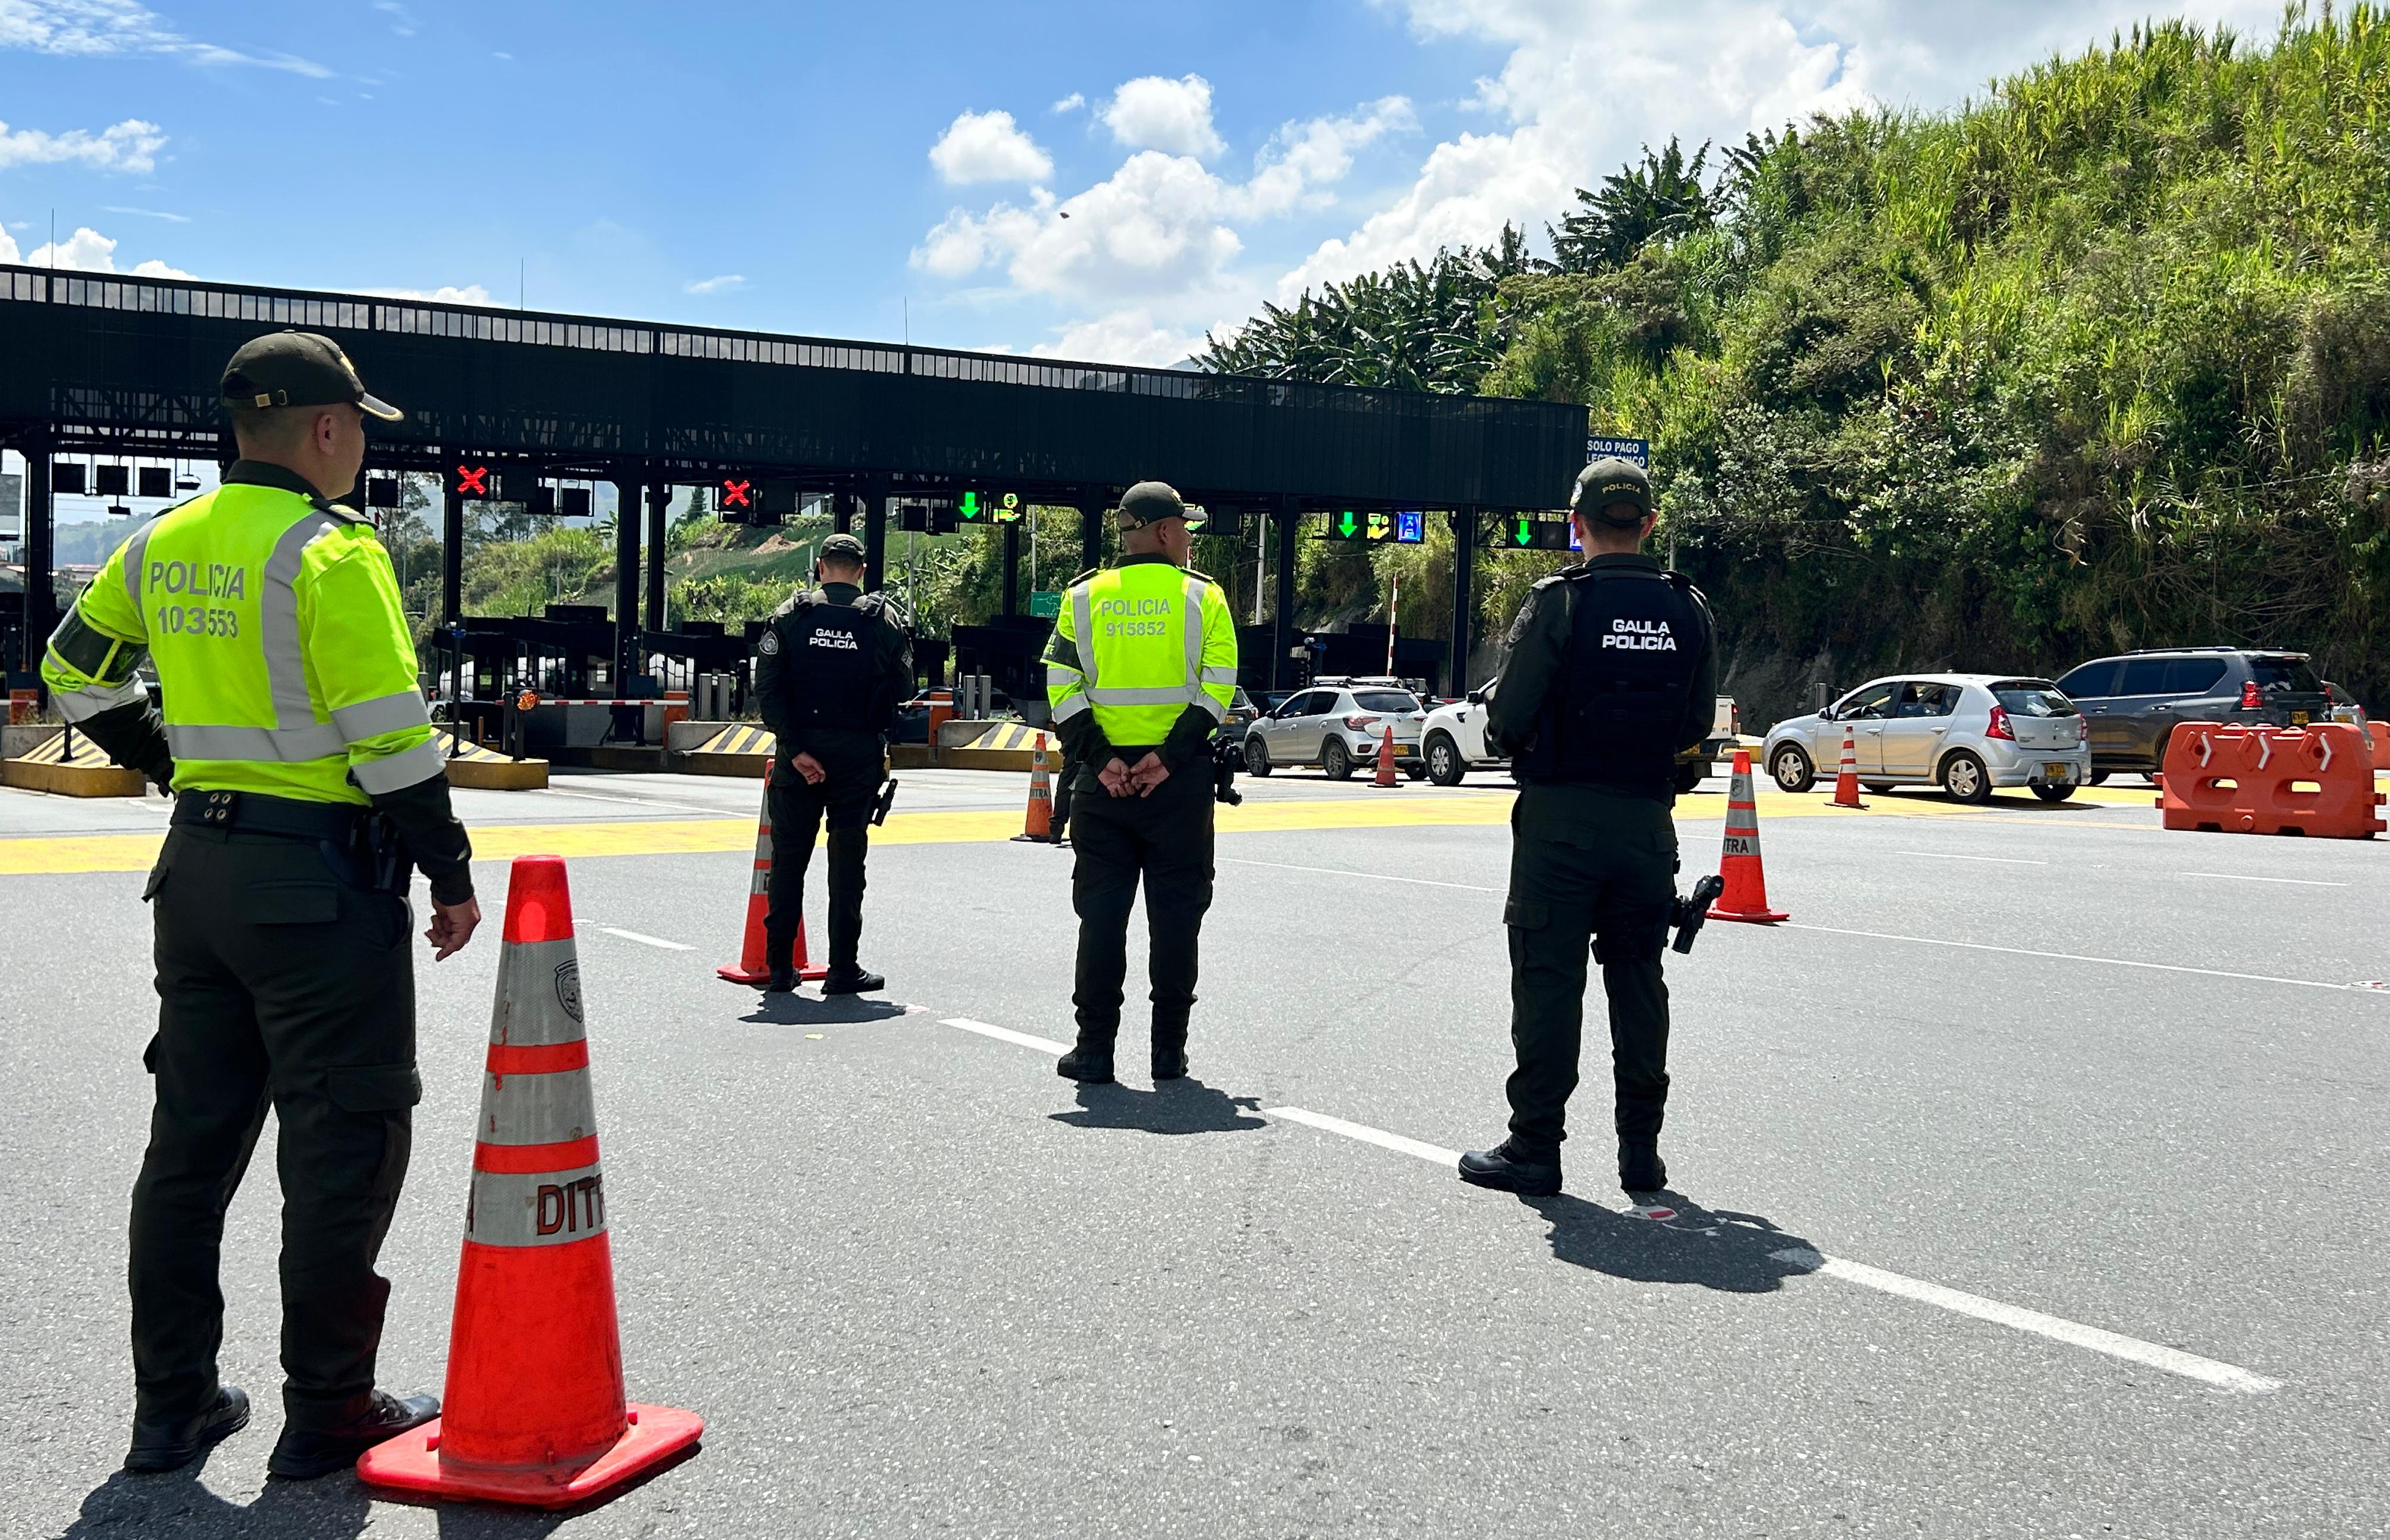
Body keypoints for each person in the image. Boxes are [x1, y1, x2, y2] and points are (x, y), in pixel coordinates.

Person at [41, 331, 479, 1478]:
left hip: (196, 879)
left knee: (188, 1152)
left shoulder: (162, 540)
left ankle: (172, 1406)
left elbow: (72, 670)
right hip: (318, 894)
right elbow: (389, 742)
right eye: (359, 433)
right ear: (328, 429)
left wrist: (176, 764)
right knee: (341, 1147)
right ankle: (328, 1407)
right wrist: (451, 870)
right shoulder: (331, 552)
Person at [1457, 457, 1717, 1199]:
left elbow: (1506, 723)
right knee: (1639, 981)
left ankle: (1535, 1147)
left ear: (1577, 526)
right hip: (1645, 824)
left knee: (1548, 984)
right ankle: (1642, 1152)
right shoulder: (1690, 607)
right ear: (1650, 525)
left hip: (1560, 827)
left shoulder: (1560, 605)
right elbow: (1696, 723)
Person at [1043, 482, 1238, 1084]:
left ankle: (1094, 1049)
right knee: (1177, 915)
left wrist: (1100, 760)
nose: (1189, 538)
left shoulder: (1084, 596)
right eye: (1184, 527)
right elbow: (1219, 684)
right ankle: (1168, 1052)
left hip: (1103, 787)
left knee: (1102, 918)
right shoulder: (1202, 597)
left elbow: (1060, 684)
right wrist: (1169, 758)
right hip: (1175, 787)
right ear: (1161, 532)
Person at [752, 531, 910, 994]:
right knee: (846, 866)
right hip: (857, 758)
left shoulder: (791, 615)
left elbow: (767, 690)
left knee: (788, 863)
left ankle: (780, 968)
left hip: (797, 757)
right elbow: (903, 689)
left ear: (820, 567)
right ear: (861, 572)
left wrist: (797, 749)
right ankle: (843, 969)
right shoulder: (883, 620)